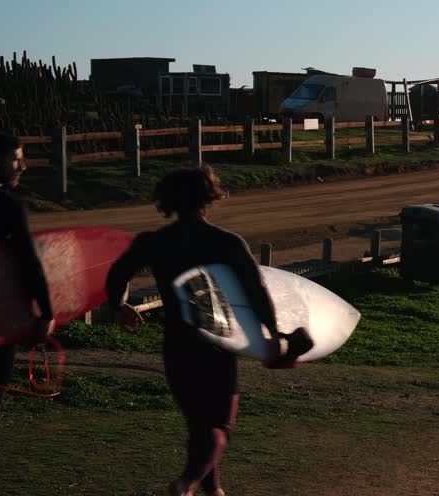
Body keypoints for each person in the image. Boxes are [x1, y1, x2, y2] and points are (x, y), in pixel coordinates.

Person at [106, 166, 306, 496]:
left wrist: (119, 306)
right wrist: (273, 333)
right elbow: (256, 291)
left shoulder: (153, 242)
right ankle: (186, 484)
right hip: (217, 343)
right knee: (220, 425)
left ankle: (213, 489)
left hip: (177, 341)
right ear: (208, 199)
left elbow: (117, 274)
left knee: (198, 423)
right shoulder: (226, 242)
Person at [0, 133, 54, 466]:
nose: (23, 166)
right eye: (16, 159)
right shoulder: (5, 205)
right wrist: (45, 312)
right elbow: (27, 261)